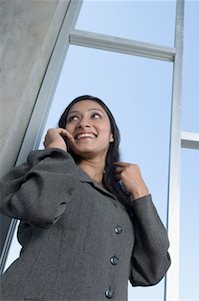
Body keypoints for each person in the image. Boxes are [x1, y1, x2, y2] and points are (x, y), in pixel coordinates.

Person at [0, 95, 171, 300]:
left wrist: (141, 194)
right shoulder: (46, 169)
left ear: (112, 136)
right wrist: (55, 151)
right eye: (73, 119)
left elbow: (153, 270)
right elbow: (40, 209)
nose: (83, 123)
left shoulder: (123, 204)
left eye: (95, 116)